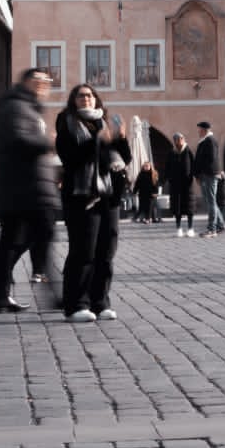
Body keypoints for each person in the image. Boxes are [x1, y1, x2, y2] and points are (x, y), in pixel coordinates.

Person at [55, 84, 131, 321]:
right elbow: (70, 157)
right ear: (73, 100)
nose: (86, 98)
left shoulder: (104, 123)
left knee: (106, 251)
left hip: (108, 195)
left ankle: (100, 302)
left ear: (96, 99)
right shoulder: (66, 122)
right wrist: (97, 141)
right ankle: (76, 305)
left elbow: (124, 159)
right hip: (81, 196)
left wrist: (121, 138)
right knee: (83, 251)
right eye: (81, 95)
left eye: (90, 95)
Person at [0, 70, 57, 313]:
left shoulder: (28, 107)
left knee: (27, 239)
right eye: (39, 81)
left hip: (28, 186)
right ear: (27, 82)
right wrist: (48, 142)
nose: (44, 85)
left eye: (47, 81)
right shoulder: (15, 107)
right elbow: (18, 140)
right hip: (20, 188)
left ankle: (2, 295)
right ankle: (52, 294)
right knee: (27, 238)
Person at [194, 121, 225, 237]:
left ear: (204, 130)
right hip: (205, 175)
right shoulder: (205, 141)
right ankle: (221, 226)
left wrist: (201, 173)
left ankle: (212, 229)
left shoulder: (210, 141)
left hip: (209, 175)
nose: (198, 132)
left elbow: (211, 160)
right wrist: (197, 174)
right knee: (210, 202)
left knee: (211, 202)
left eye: (199, 130)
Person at [162, 131, 196, 237]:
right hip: (175, 184)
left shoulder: (188, 151)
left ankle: (190, 228)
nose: (178, 142)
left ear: (183, 139)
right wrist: (167, 179)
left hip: (188, 185)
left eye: (179, 139)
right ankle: (179, 228)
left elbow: (194, 166)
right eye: (176, 140)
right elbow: (167, 167)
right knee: (177, 208)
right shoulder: (171, 153)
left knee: (189, 207)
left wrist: (195, 177)